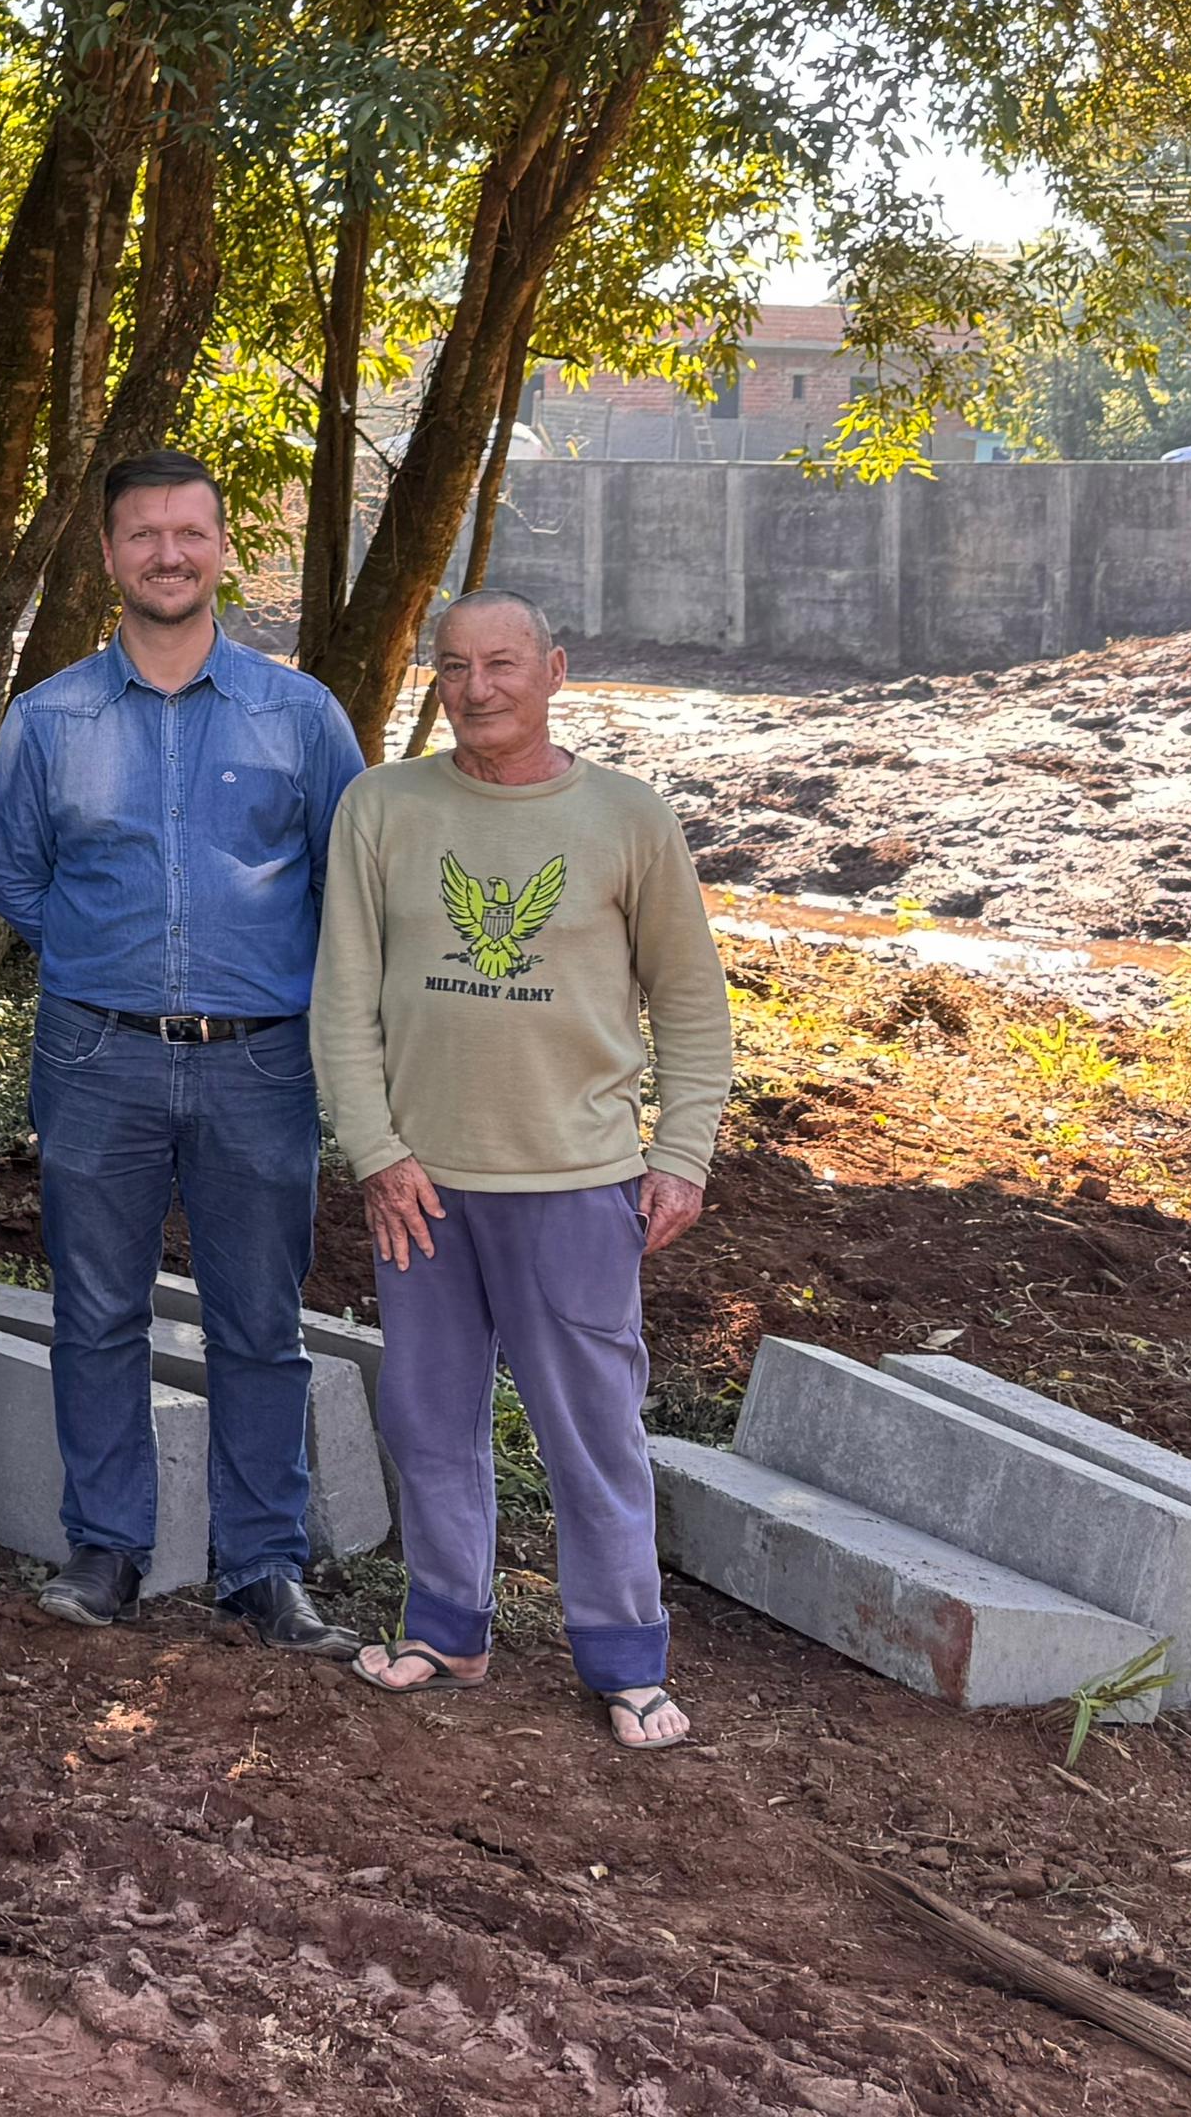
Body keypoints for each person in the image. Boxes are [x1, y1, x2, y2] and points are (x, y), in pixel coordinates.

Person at [319, 590, 729, 1751]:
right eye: (452, 667)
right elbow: (340, 1001)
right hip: (419, 1190)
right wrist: (374, 1152)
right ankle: (445, 1631)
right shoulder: (380, 807)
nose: (476, 688)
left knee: (590, 1430)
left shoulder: (625, 818)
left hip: (575, 1185)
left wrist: (680, 1153)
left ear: (553, 670)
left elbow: (691, 1005)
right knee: (426, 1420)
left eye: (501, 664)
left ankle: (625, 1660)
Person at [0, 450, 366, 1650]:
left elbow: (345, 883)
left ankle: (262, 1565)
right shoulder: (50, 718)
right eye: (142, 534)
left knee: (260, 1319)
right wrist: (114, 966)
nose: (166, 554)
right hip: (96, 1056)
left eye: (188, 533)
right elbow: (15, 880)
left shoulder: (297, 715)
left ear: (219, 549)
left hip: (260, 1062)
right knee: (96, 1311)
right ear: (107, 554)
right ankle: (105, 1547)